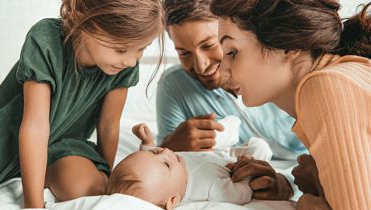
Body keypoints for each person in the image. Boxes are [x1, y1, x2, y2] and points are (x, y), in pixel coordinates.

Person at [0, 0, 164, 208]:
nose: (131, 61)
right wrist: (33, 205)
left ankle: (50, 175)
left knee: (86, 187)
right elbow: (35, 127)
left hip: (64, 148)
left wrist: (105, 178)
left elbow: (108, 125)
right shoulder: (46, 40)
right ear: (85, 22)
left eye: (141, 49)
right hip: (2, 147)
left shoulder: (123, 66)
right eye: (120, 50)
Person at [210, 0, 371, 209]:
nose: (222, 71)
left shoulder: (327, 86)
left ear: (289, 47)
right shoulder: (340, 78)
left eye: (232, 52)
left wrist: (310, 202)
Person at [157, 0, 304, 200]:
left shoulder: (276, 69)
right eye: (184, 53)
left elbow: (328, 156)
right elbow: (162, 167)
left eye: (209, 45)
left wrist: (288, 182)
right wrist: (171, 145)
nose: (201, 66)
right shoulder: (174, 85)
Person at [105, 123, 273, 209]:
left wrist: (147, 143)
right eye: (166, 164)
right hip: (232, 164)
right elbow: (240, 194)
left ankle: (230, 132)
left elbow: (147, 164)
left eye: (155, 153)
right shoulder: (209, 189)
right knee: (261, 148)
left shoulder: (169, 172)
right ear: (173, 201)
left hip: (213, 154)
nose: (165, 151)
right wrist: (247, 172)